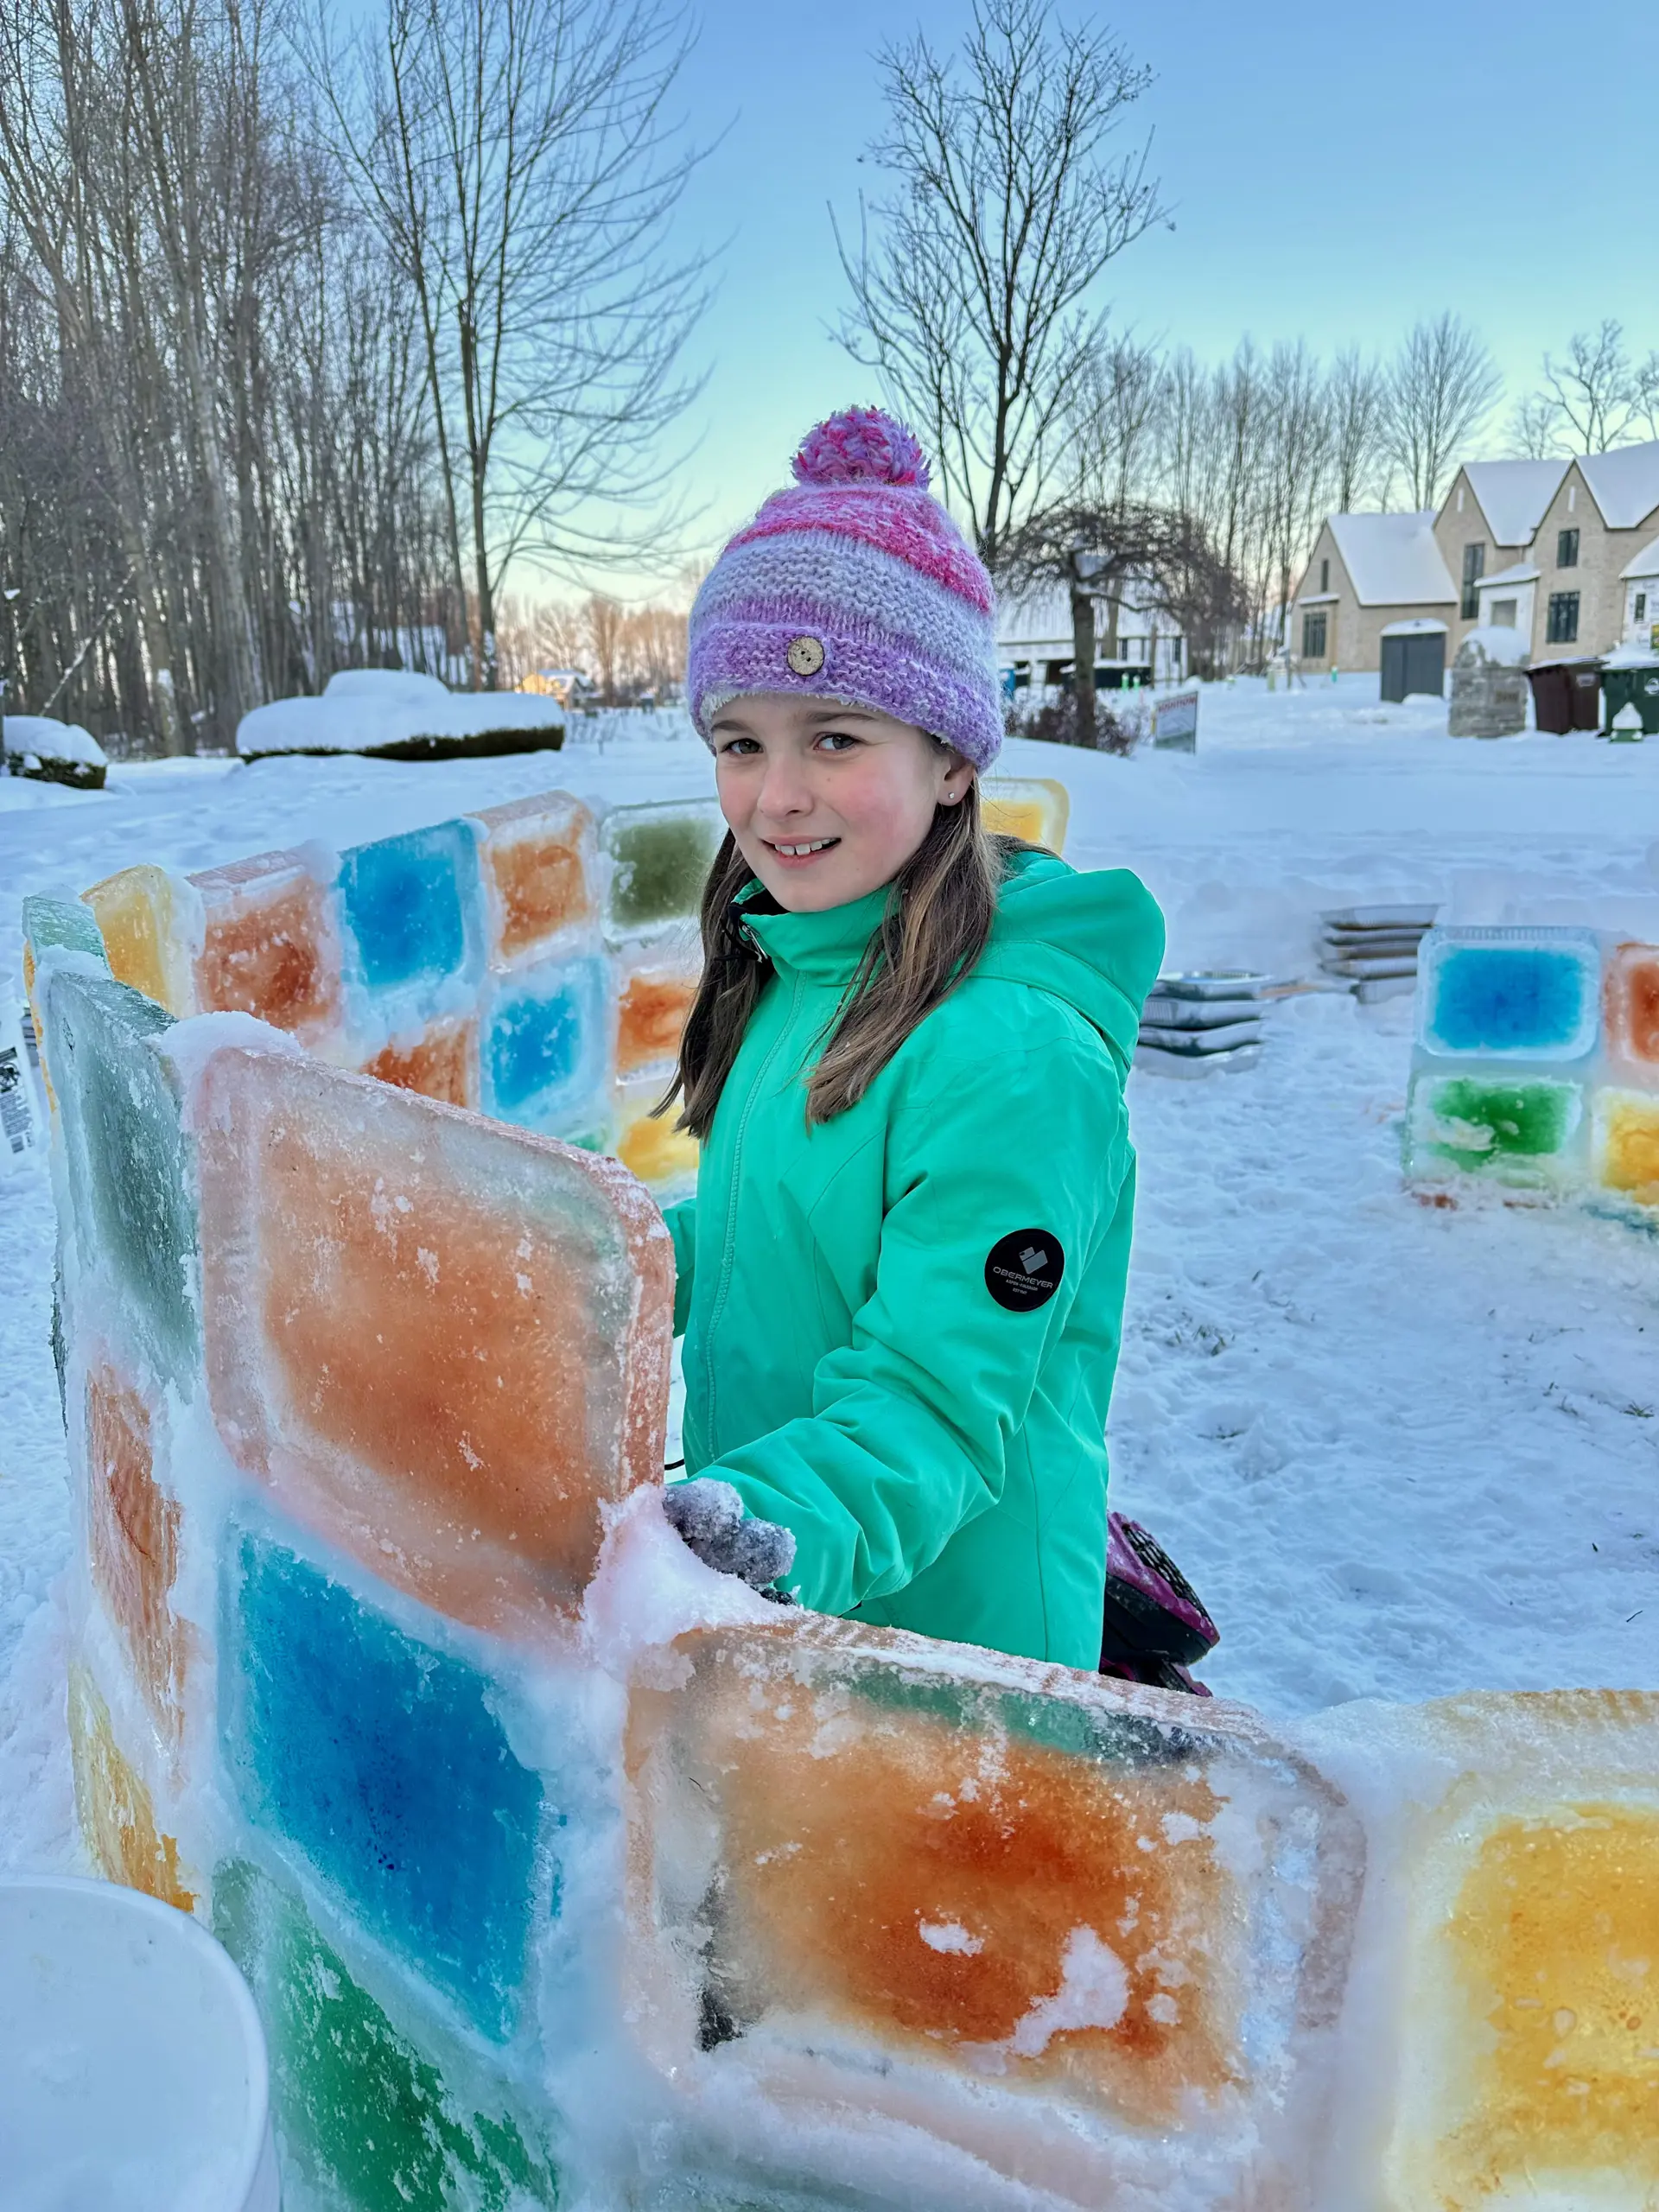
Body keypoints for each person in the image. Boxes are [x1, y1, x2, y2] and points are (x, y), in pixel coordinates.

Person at [657, 404, 1170, 1676]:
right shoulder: (797, 961)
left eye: (835, 737)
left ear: (950, 758)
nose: (776, 796)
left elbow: (935, 1401)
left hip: (955, 1665)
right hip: (807, 1607)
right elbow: (783, 1228)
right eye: (742, 742)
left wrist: (745, 1535)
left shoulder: (1012, 1056)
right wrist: (590, 1263)